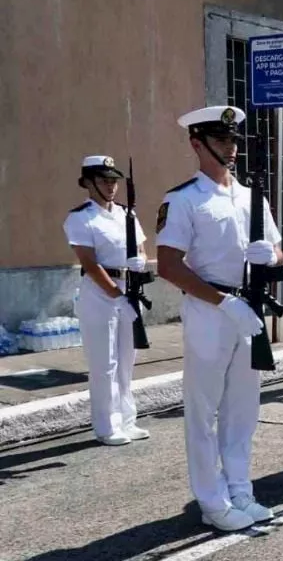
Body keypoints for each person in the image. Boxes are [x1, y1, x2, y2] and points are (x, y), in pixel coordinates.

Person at [155, 105, 283, 532]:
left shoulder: (252, 196)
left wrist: (271, 256)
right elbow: (169, 265)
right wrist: (222, 303)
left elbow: (278, 250)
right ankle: (212, 500)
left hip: (250, 309)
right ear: (197, 144)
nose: (231, 148)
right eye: (221, 140)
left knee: (243, 411)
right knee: (204, 410)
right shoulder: (184, 198)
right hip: (211, 310)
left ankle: (241, 489)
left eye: (233, 140)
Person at [63, 155, 150, 447]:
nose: (111, 186)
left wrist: (140, 261)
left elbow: (139, 247)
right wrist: (116, 295)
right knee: (104, 363)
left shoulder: (127, 215)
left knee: (127, 359)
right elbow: (89, 263)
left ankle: (127, 419)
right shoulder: (81, 217)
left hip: (130, 289)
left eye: (114, 181)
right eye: (103, 180)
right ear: (88, 183)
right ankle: (106, 425)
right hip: (100, 294)